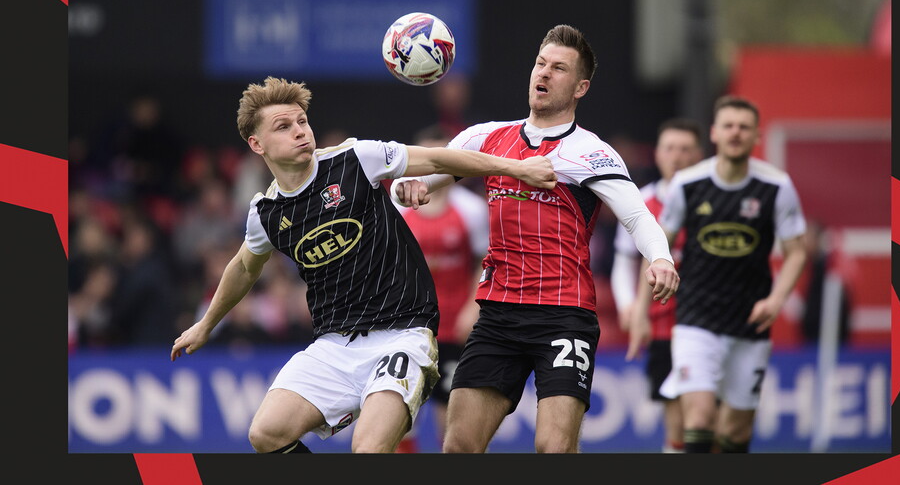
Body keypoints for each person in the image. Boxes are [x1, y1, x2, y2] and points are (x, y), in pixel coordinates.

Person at [170, 76, 557, 454]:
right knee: (265, 433)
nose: (300, 131)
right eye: (284, 127)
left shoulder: (356, 160)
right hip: (333, 346)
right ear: (257, 144)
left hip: (404, 333)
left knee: (369, 449)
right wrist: (206, 325)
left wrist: (517, 168)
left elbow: (438, 158)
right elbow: (243, 268)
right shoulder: (266, 213)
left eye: (302, 121)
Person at [392, 24, 680, 453]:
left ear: (581, 87)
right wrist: (411, 188)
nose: (543, 74)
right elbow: (419, 182)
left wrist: (660, 258)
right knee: (458, 447)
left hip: (564, 314)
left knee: (554, 449)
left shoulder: (591, 152)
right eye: (540, 63)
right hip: (499, 314)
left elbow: (637, 216)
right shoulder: (485, 138)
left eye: (559, 68)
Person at [652, 95, 808, 453]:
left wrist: (776, 299)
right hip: (695, 317)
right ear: (714, 134)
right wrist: (651, 288)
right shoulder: (688, 184)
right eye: (728, 125)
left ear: (757, 136)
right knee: (701, 418)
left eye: (744, 127)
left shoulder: (777, 186)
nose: (735, 133)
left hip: (749, 321)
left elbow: (797, 251)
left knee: (735, 432)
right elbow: (661, 242)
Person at [393, 124, 489, 452]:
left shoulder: (472, 210)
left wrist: (473, 307)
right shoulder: (398, 207)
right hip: (407, 327)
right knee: (401, 419)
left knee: (452, 420)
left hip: (454, 328)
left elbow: (487, 260)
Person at [610, 117, 703, 453]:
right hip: (663, 321)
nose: (676, 156)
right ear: (658, 154)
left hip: (706, 319)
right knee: (674, 409)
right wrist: (629, 306)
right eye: (669, 148)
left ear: (698, 155)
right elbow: (625, 258)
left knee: (708, 414)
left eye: (685, 149)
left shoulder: (710, 199)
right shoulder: (639, 203)